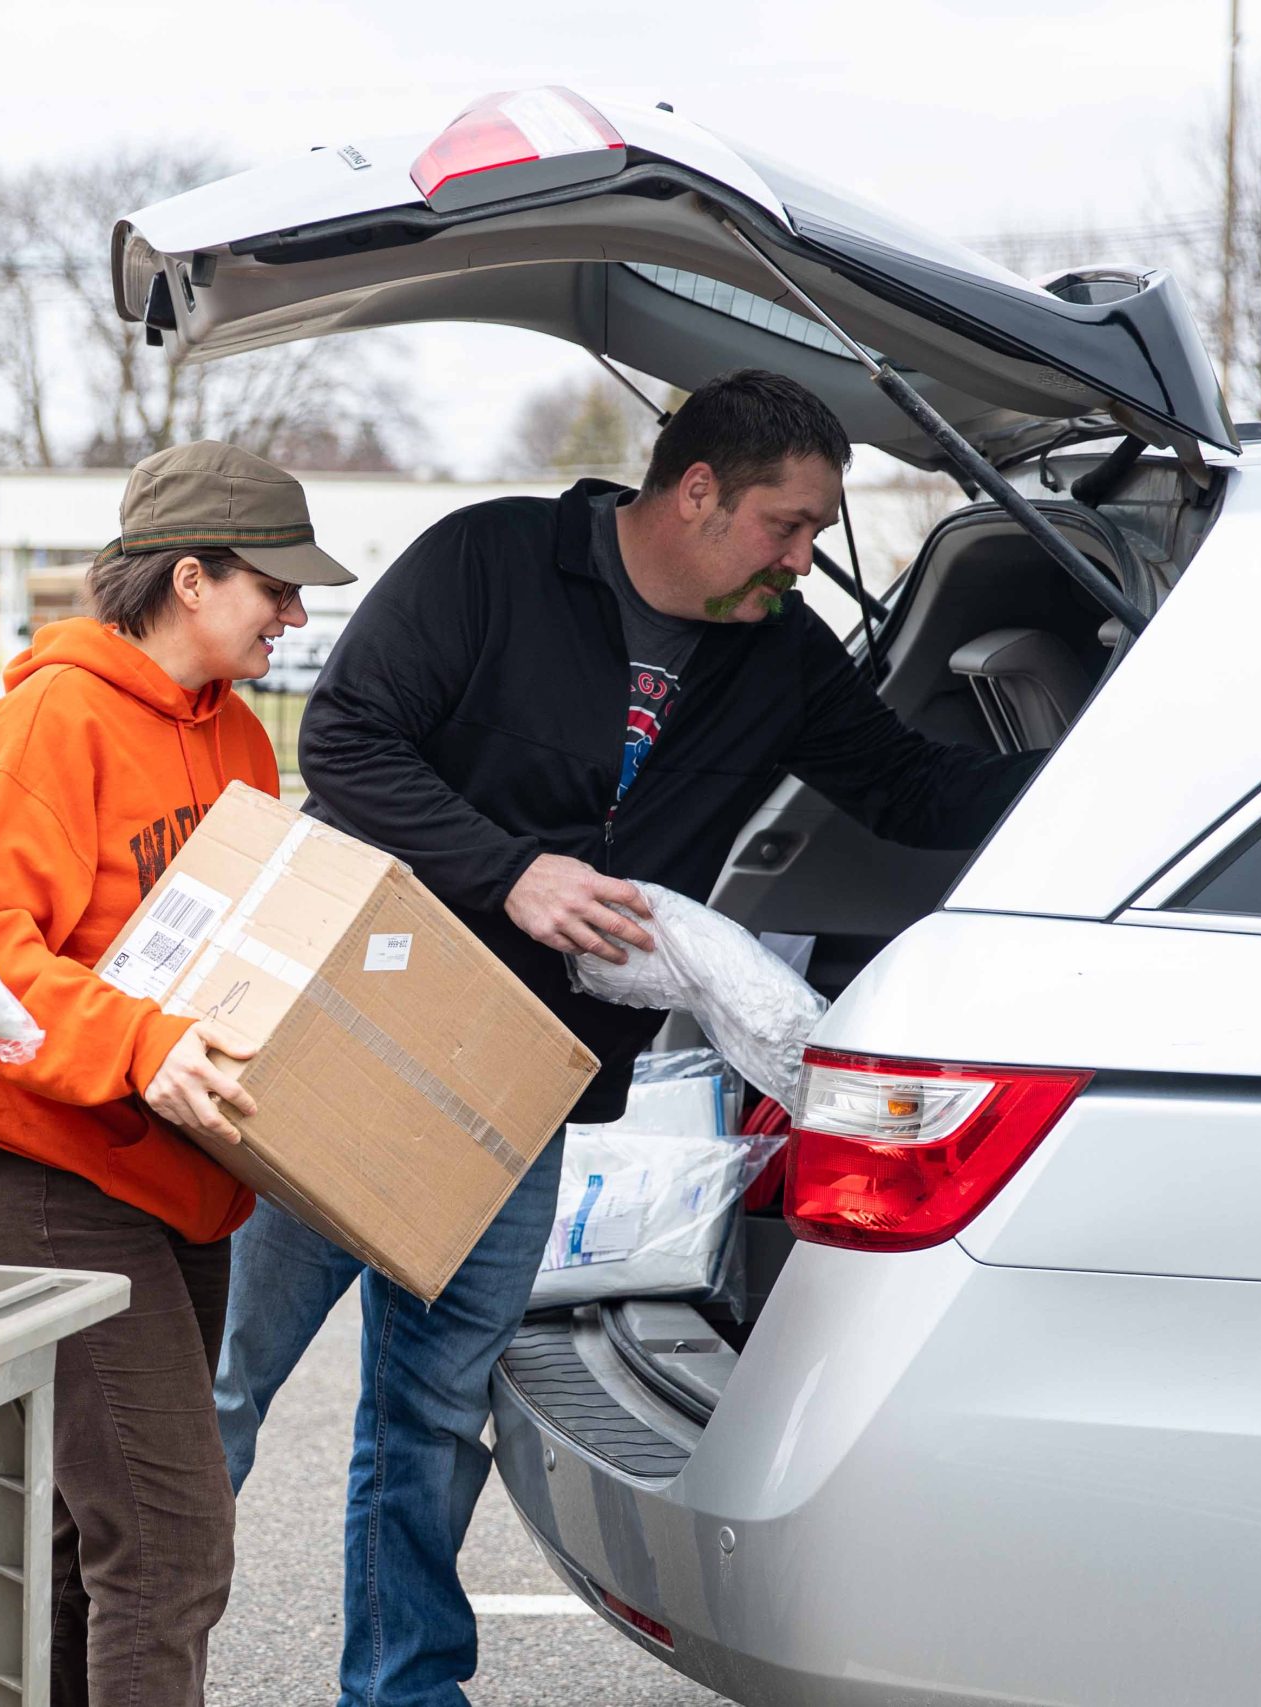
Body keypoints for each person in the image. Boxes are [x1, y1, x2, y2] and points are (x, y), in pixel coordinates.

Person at [214, 369, 1042, 1706]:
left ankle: (405, 1691)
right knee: (218, 1390)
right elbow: (350, 746)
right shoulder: (491, 561)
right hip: (354, 1036)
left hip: (527, 1084)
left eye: (819, 531)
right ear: (697, 490)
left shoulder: (779, 647)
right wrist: (511, 869)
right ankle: (119, 1669)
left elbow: (903, 785)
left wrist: (1109, 758)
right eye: (786, 523)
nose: (803, 557)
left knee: (427, 1416)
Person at [0, 439, 357, 1706]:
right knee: (169, 1544)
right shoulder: (45, 725)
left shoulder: (240, 744)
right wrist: (146, 1045)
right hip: (45, 1168)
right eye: (273, 585)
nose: (295, 612)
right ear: (186, 578)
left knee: (94, 1544)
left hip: (183, 1179)